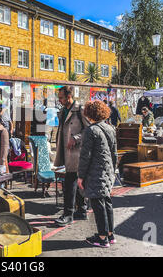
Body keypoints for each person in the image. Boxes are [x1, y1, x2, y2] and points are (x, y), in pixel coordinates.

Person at [77, 100, 117, 248]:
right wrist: (112, 170)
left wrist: (81, 176)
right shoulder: (110, 128)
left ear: (89, 114)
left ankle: (102, 238)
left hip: (95, 172)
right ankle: (110, 234)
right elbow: (114, 154)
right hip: (107, 170)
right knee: (106, 202)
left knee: (98, 205)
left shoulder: (91, 130)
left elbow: (85, 156)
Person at [54, 86, 90, 226]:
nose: (59, 100)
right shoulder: (63, 111)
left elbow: (89, 129)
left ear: (69, 96)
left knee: (69, 184)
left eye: (61, 97)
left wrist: (76, 138)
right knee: (75, 182)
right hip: (66, 151)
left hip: (77, 153)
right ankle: (81, 210)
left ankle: (68, 214)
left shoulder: (80, 110)